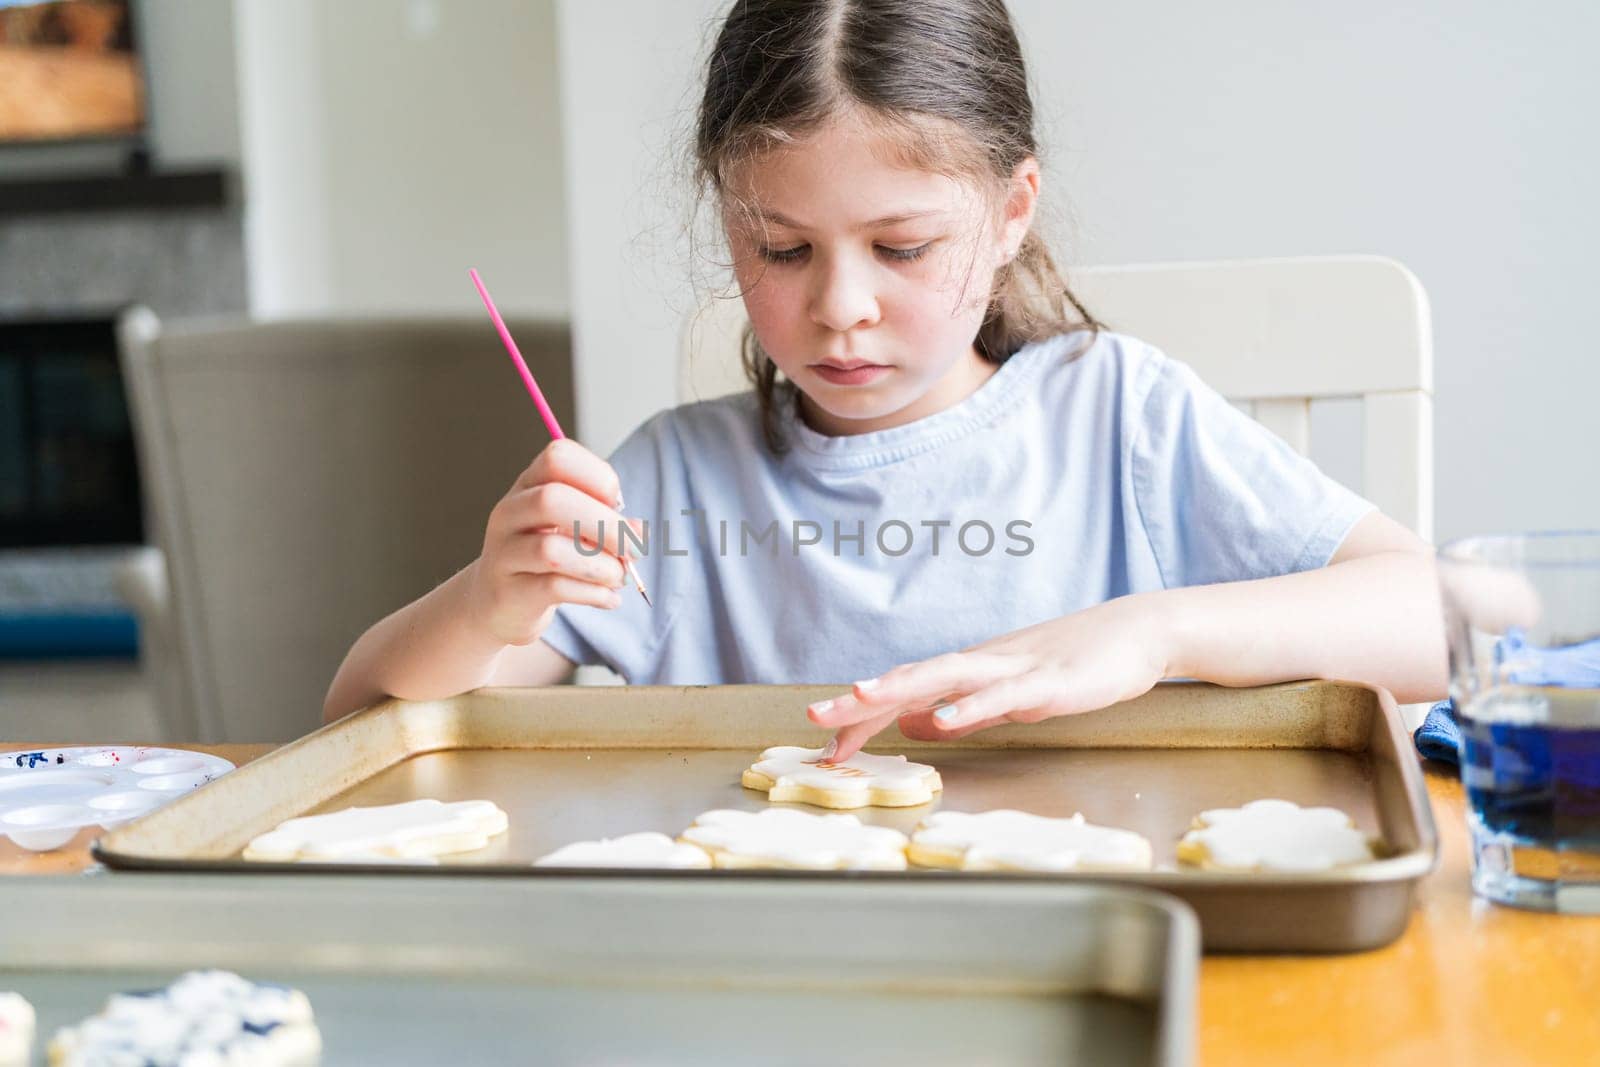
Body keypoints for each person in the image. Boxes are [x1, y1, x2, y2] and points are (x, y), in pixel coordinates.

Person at [324, 0, 1447, 760]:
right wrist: (484, 603)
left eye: (901, 248)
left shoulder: (1119, 418)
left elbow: (1435, 622)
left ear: (1011, 212)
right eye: (780, 248)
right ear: (726, 220)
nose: (838, 305)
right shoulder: (671, 484)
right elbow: (364, 728)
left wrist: (1150, 632)